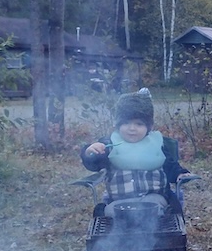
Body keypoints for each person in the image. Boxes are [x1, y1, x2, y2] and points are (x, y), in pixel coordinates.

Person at [80, 88, 191, 218]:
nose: (132, 128)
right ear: (118, 125)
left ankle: (161, 236)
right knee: (109, 214)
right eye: (126, 123)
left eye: (139, 124)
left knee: (160, 211)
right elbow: (94, 164)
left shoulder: (156, 145)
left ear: (148, 127)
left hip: (154, 198)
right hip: (119, 202)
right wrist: (90, 152)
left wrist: (180, 174)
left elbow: (170, 166)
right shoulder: (109, 144)